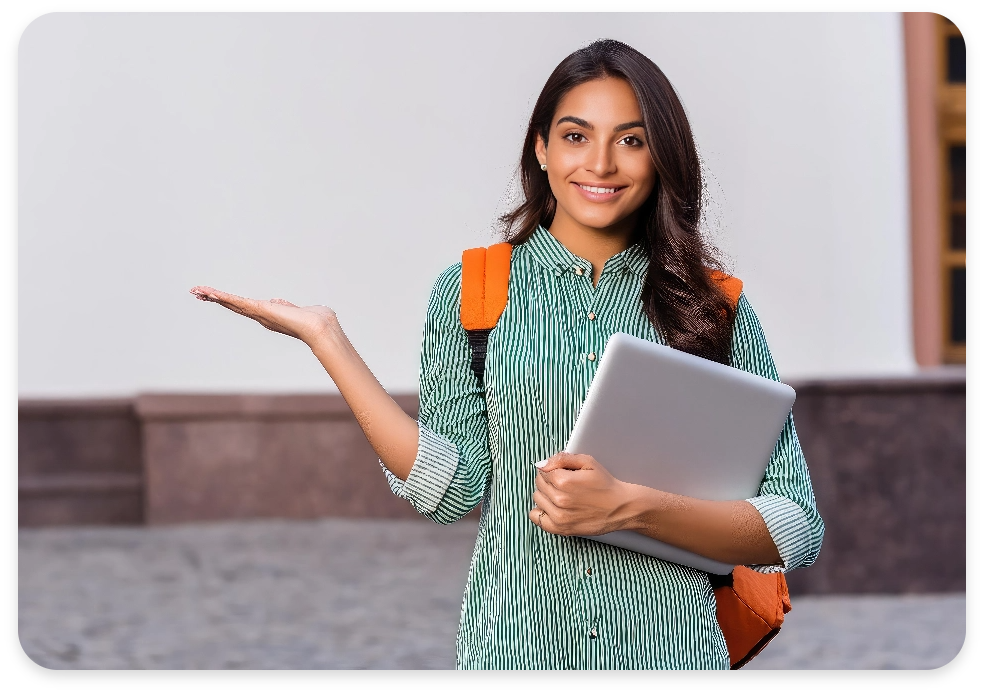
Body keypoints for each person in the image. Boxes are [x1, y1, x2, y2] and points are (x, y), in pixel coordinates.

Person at [191, 39, 823, 670]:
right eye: (576, 136)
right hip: (512, 649)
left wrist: (632, 507)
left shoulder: (714, 309)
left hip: (675, 653)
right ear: (541, 149)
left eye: (631, 140)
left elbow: (795, 524)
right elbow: (451, 490)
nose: (600, 163)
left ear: (662, 158)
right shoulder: (474, 291)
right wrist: (327, 341)